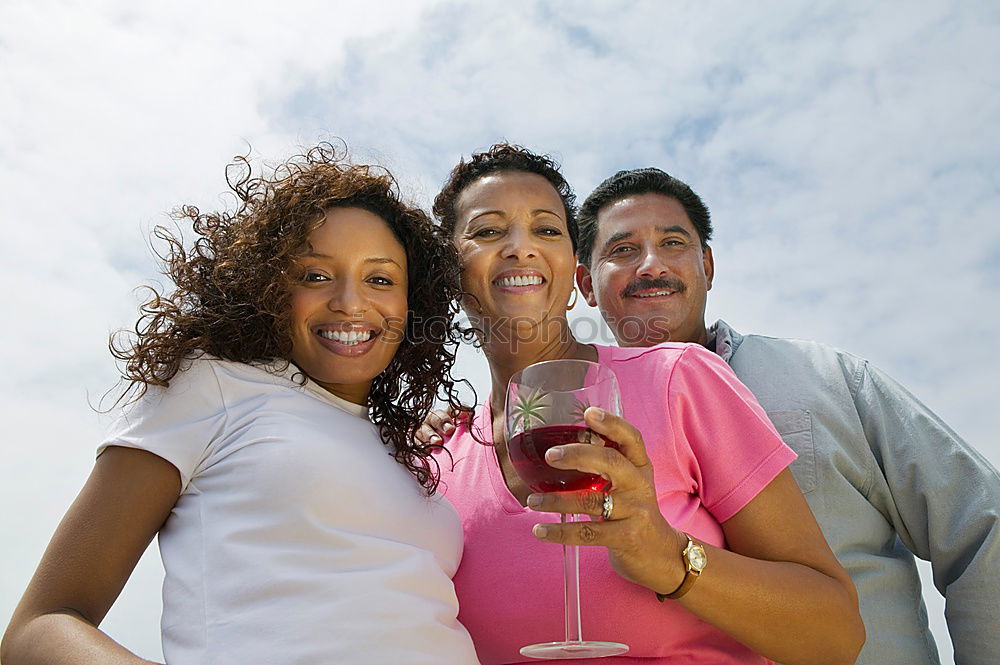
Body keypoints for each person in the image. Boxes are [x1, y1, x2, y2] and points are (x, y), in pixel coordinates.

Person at [0, 144, 480, 665]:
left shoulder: (404, 448)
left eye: (380, 280)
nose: (350, 301)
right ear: (270, 286)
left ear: (413, 304)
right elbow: (40, 628)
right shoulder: (213, 385)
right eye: (315, 275)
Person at [429, 143, 864, 665]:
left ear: (574, 275)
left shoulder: (680, 380)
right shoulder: (437, 457)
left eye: (546, 229)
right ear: (447, 267)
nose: (521, 247)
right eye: (488, 230)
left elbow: (836, 635)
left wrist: (670, 558)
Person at [571, 167, 1000, 665]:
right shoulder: (575, 423)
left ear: (706, 266)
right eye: (623, 250)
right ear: (586, 283)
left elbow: (979, 520)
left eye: (672, 243)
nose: (651, 266)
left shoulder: (830, 379)